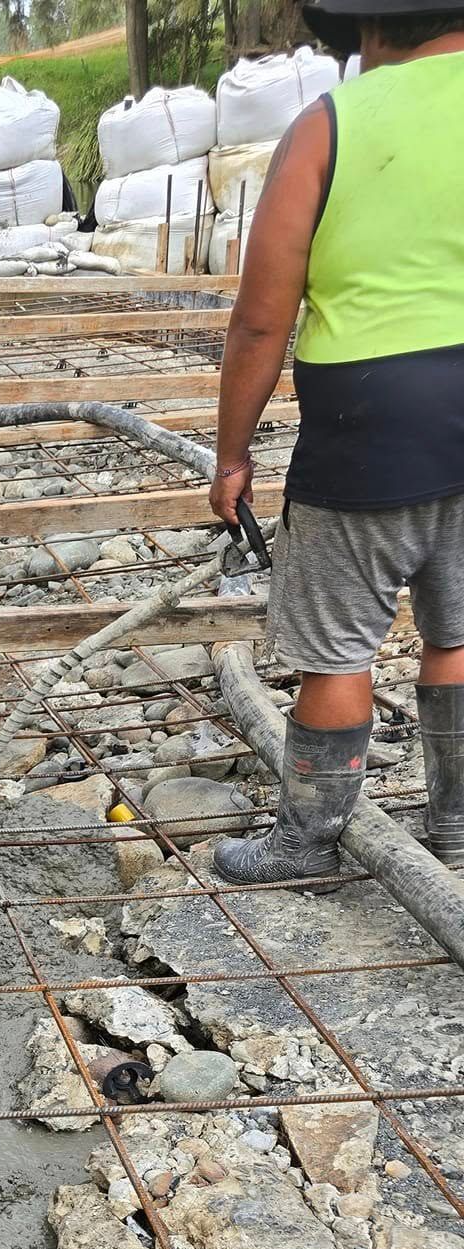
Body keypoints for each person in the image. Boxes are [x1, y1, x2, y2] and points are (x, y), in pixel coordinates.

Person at [210, 2, 464, 882]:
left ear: (369, 31)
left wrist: (232, 454)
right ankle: (458, 831)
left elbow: (260, 321)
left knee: (338, 646)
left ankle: (307, 841)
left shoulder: (330, 126)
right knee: (458, 630)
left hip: (369, 421)